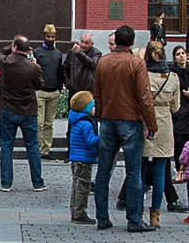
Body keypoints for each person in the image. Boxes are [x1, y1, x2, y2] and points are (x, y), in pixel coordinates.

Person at [92, 25, 155, 232]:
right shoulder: (136, 63)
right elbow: (144, 97)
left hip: (108, 119)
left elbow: (97, 93)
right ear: (132, 42)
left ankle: (102, 217)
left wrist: (101, 115)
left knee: (103, 170)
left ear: (116, 41)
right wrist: (151, 124)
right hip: (130, 120)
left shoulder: (103, 62)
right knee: (134, 172)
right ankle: (134, 219)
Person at [0, 35, 45, 192]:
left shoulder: (5, 63)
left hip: (8, 109)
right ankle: (37, 183)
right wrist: (35, 65)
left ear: (15, 47)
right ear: (27, 50)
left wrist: (11, 47)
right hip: (28, 111)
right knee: (32, 147)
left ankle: (6, 183)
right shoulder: (33, 68)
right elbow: (39, 85)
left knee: (6, 146)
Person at [142, 40, 180, 227]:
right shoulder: (172, 77)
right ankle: (155, 214)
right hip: (164, 123)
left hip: (144, 122)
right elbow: (176, 106)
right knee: (159, 172)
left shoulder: (143, 75)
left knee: (139, 170)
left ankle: (137, 211)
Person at [65, 90, 99, 224]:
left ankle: (74, 211)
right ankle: (80, 213)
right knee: (83, 187)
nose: (95, 109)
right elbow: (91, 141)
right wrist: (102, 137)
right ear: (86, 109)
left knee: (76, 185)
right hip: (84, 159)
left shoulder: (75, 121)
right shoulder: (86, 124)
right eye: (93, 106)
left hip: (75, 158)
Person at [32, 25, 65, 159]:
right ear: (44, 36)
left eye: (52, 37)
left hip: (54, 92)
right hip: (40, 91)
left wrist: (59, 88)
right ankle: (39, 149)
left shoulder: (58, 53)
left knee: (49, 123)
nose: (50, 39)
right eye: (48, 36)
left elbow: (59, 72)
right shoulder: (37, 52)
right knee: (39, 123)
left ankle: (46, 150)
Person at [63, 32, 99, 96]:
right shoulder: (72, 52)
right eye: (82, 42)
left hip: (88, 92)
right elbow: (65, 68)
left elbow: (92, 64)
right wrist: (68, 83)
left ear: (92, 44)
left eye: (86, 43)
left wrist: (80, 53)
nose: (83, 45)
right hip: (74, 91)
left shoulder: (96, 53)